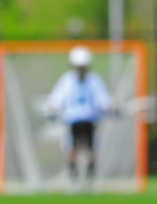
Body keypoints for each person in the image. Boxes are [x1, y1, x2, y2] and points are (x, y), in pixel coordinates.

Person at [45, 45, 113, 188]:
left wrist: (109, 107)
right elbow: (56, 99)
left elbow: (103, 100)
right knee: (72, 149)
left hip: (90, 119)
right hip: (73, 120)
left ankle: (90, 178)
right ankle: (73, 177)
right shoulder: (67, 80)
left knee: (91, 149)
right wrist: (52, 108)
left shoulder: (94, 80)